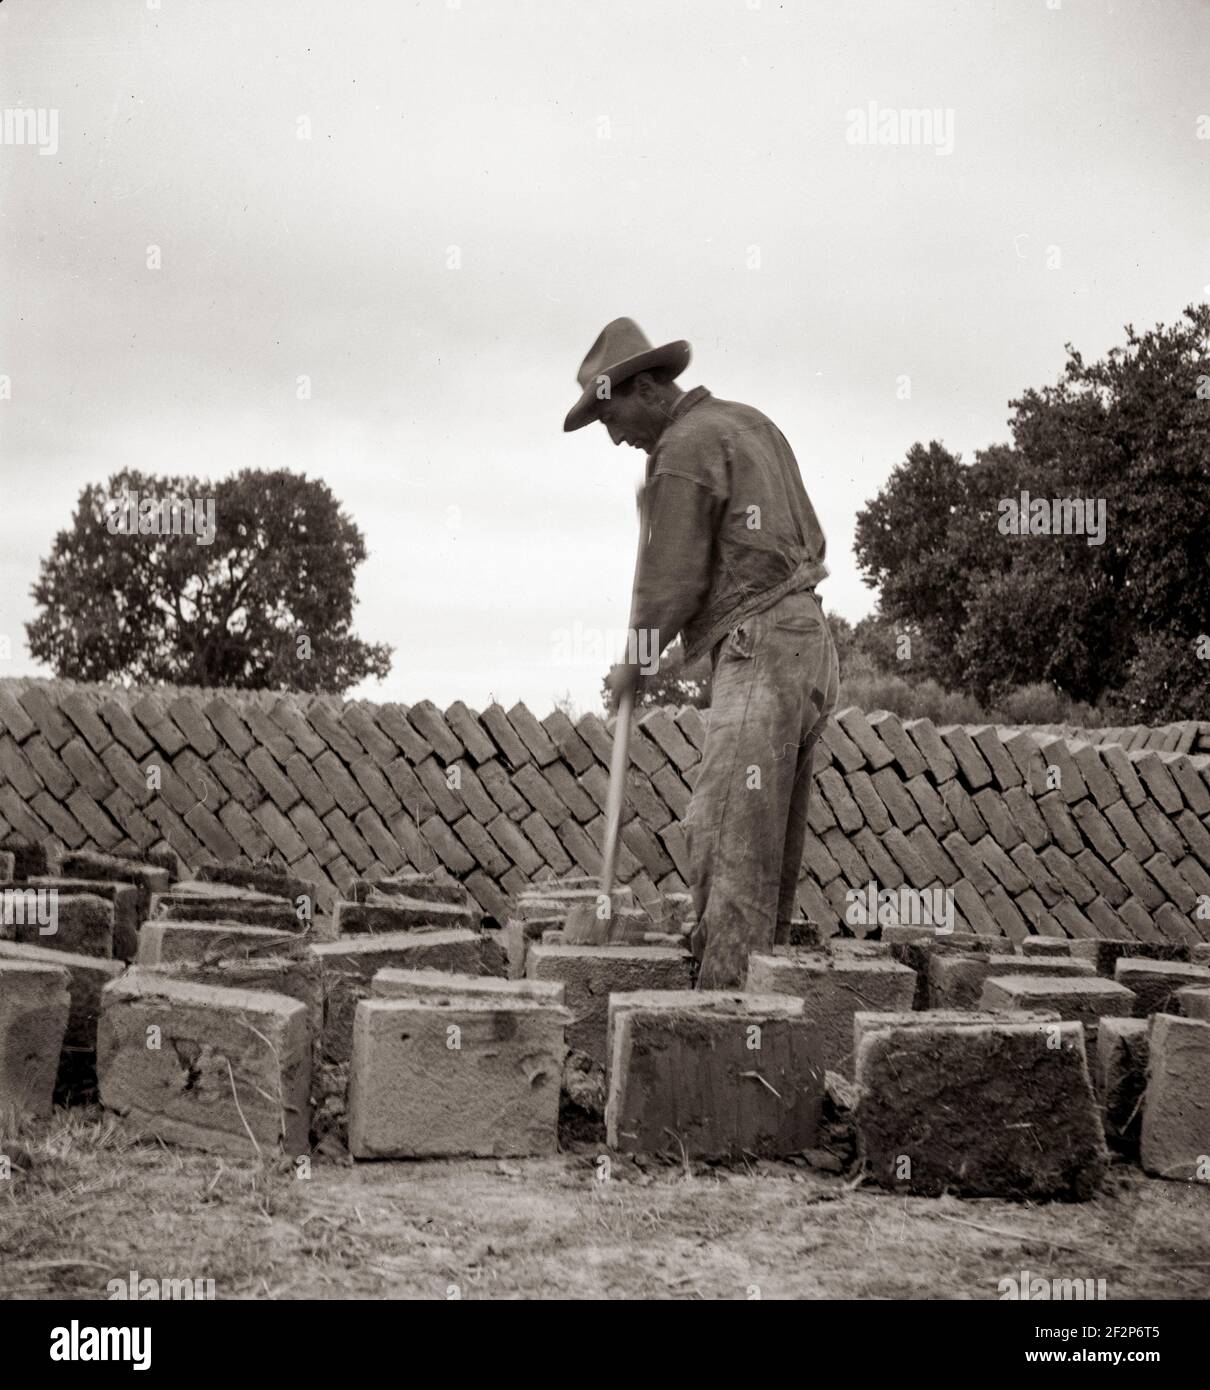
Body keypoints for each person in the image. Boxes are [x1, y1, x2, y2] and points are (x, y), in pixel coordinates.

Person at [564, 317, 839, 988]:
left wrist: (634, 658)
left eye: (612, 416)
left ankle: (716, 1030)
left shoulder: (684, 446)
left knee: (728, 849)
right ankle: (761, 1023)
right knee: (768, 859)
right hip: (811, 645)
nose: (615, 434)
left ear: (649, 388)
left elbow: (675, 578)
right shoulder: (751, 424)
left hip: (761, 647)